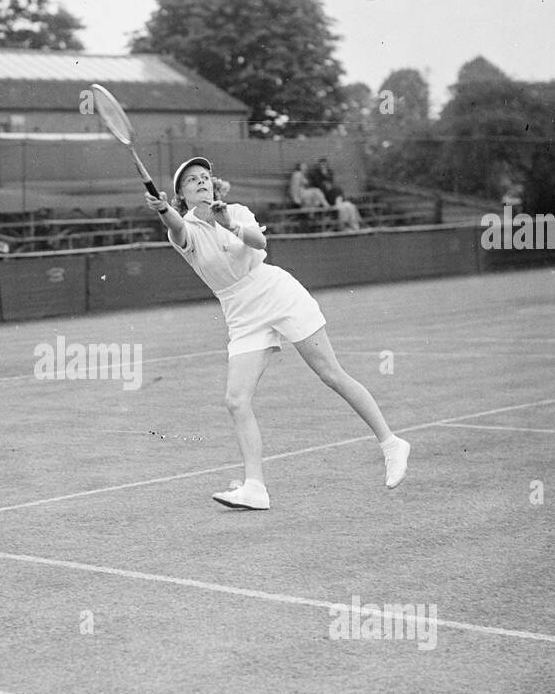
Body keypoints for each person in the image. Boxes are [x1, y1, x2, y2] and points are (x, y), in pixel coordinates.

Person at [144, 156, 409, 510]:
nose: (202, 182)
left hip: (276, 292)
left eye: (205, 176)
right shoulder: (183, 229)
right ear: (181, 195)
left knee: (330, 374)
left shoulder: (235, 210)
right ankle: (255, 487)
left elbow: (259, 244)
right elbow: (177, 228)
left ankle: (391, 444)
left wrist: (228, 223)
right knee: (236, 400)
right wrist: (163, 210)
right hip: (240, 313)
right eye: (192, 180)